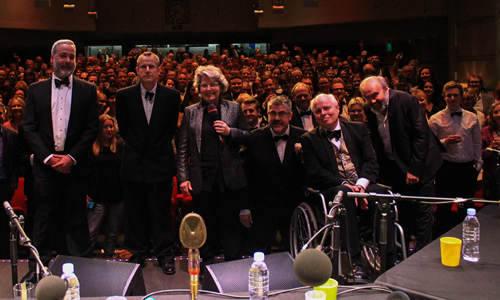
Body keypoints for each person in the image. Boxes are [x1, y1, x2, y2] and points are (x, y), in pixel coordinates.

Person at [22, 39, 98, 283]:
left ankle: (81, 273)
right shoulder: (35, 89)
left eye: (71, 56)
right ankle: (38, 270)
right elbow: (29, 128)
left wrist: (71, 158)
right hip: (45, 167)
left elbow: (91, 129)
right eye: (63, 56)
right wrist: (47, 157)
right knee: (42, 220)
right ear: (52, 59)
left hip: (74, 167)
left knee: (76, 220)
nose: (67, 61)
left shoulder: (88, 89)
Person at [301, 93, 384, 279]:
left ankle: (389, 255)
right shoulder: (309, 139)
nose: (323, 113)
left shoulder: (358, 129)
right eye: (318, 111)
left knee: (383, 194)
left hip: (363, 184)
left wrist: (361, 186)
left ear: (338, 108)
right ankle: (356, 261)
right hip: (334, 187)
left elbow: (371, 162)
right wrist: (345, 184)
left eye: (327, 108)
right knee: (344, 194)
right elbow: (315, 172)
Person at [177, 65, 250, 266]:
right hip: (202, 177)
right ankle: (206, 267)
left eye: (213, 84)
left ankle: (232, 267)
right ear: (198, 88)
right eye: (204, 85)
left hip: (229, 177)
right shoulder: (190, 112)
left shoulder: (233, 108)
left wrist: (230, 132)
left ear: (221, 86)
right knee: (205, 224)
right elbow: (183, 148)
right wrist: (183, 178)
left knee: (230, 225)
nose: (209, 89)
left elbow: (247, 137)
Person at [361, 76, 442, 253]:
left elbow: (421, 136)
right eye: (367, 97)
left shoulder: (407, 100)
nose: (372, 100)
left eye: (375, 95)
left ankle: (424, 253)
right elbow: (378, 141)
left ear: (386, 89)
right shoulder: (369, 109)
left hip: (421, 164)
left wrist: (414, 169)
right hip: (395, 166)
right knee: (403, 211)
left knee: (423, 211)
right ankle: (405, 254)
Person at [116, 51, 180, 274]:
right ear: (137, 70)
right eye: (143, 67)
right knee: (135, 212)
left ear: (159, 70)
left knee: (161, 212)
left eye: (152, 67)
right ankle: (137, 253)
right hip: (133, 162)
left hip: (161, 162)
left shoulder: (172, 96)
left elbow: (170, 129)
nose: (147, 70)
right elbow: (124, 129)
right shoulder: (123, 95)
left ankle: (165, 254)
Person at [243, 95, 306, 253]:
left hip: (294, 208)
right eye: (273, 114)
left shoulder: (304, 137)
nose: (277, 118)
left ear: (290, 116)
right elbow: (246, 175)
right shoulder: (254, 138)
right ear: (267, 115)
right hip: (262, 210)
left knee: (295, 258)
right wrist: (245, 208)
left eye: (282, 114)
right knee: (259, 259)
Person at [428, 81, 482, 236]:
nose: (452, 98)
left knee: (466, 208)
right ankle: (440, 238)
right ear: (444, 97)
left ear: (461, 96)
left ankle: (466, 237)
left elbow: (477, 144)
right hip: (446, 167)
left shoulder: (472, 117)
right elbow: (430, 147)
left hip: (467, 167)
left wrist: (477, 165)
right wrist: (445, 142)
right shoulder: (435, 119)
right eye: (449, 95)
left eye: (455, 95)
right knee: (443, 207)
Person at [87, 114, 123, 258]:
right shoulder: (92, 149)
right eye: (106, 127)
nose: (109, 129)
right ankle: (86, 257)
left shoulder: (119, 147)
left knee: (112, 231)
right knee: (91, 230)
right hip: (97, 196)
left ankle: (109, 256)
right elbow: (88, 173)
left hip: (117, 195)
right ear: (100, 129)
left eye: (111, 126)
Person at [0, 122, 18, 259]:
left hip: (3, 184)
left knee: (3, 224)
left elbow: (15, 161)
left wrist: (12, 185)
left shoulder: (10, 136)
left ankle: (5, 256)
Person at [481, 102, 500, 200]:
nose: (499, 115)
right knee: (490, 207)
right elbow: (480, 153)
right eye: (496, 112)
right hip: (491, 175)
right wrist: (491, 148)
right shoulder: (486, 131)